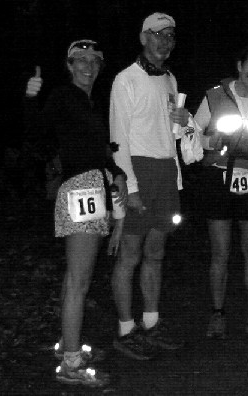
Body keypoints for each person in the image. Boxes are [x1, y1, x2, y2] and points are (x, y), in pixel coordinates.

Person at [25, 40, 127, 386]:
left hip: (93, 187)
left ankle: (67, 346)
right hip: (81, 190)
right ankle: (70, 363)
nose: (88, 66)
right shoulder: (63, 96)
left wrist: (116, 173)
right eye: (80, 61)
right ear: (69, 65)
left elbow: (97, 151)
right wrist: (29, 98)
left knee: (75, 278)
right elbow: (37, 135)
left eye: (94, 61)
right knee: (80, 280)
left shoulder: (89, 102)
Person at [109, 12, 189, 360]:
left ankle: (152, 323)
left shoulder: (170, 79)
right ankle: (126, 330)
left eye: (170, 35)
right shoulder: (125, 79)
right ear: (144, 38)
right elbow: (117, 139)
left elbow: (173, 135)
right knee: (130, 255)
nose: (164, 41)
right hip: (138, 170)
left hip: (166, 173)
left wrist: (185, 125)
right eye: (157, 35)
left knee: (156, 252)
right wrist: (132, 186)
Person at [193, 46, 248, 342]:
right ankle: (217, 314)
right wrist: (209, 141)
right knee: (220, 252)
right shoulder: (215, 95)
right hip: (217, 179)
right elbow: (191, 133)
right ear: (239, 65)